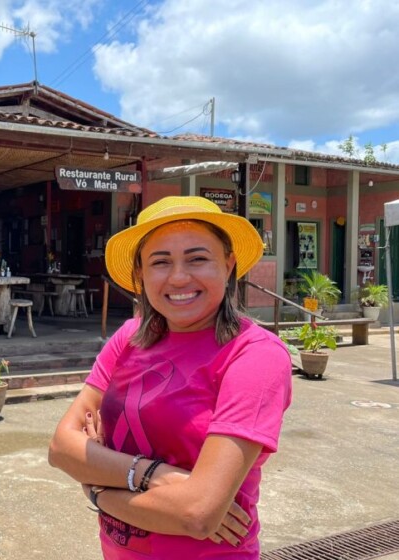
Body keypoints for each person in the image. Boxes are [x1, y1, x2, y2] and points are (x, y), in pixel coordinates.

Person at [49, 196, 292, 558]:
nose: (179, 277)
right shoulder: (129, 338)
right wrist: (155, 476)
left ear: (228, 266)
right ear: (141, 275)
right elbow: (61, 449)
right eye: (160, 262)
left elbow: (197, 515)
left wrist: (98, 490)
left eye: (197, 259)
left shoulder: (254, 354)